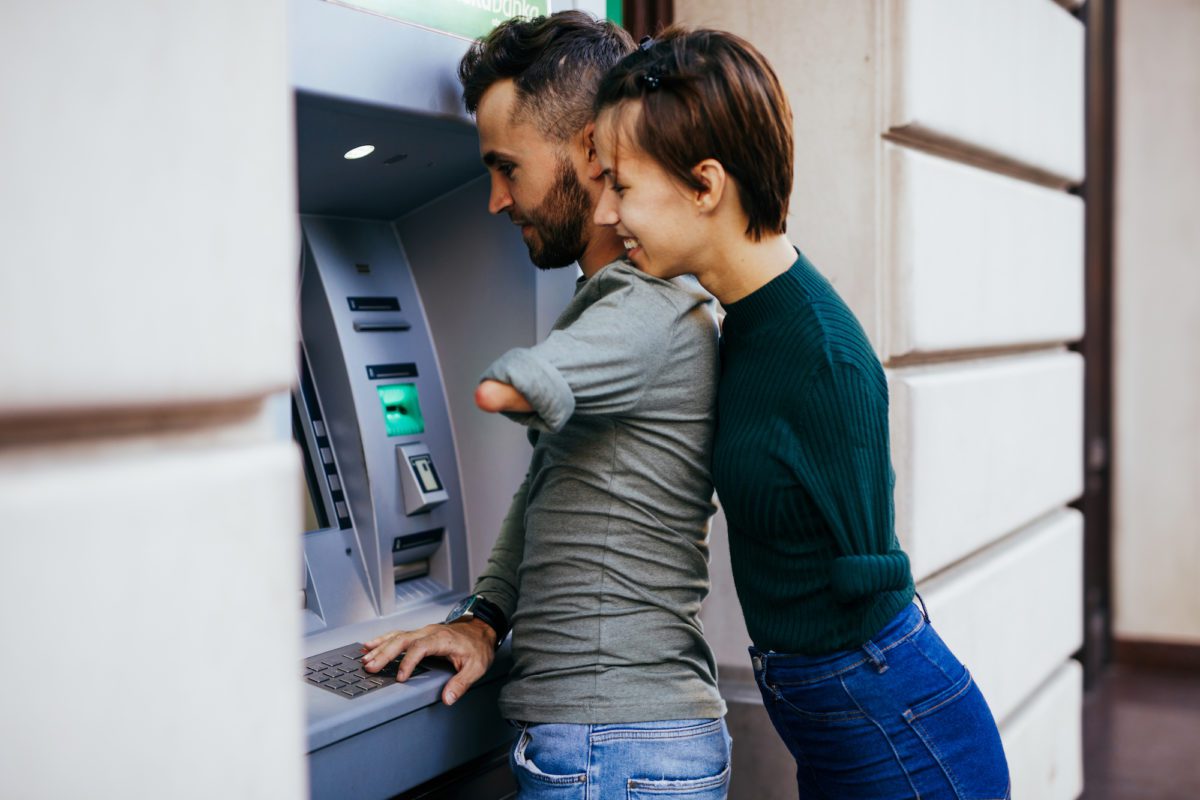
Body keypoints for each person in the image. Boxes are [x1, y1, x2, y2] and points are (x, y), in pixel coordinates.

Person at [591, 28, 1011, 800]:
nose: (608, 211)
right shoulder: (740, 324)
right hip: (838, 730)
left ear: (705, 184)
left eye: (621, 185)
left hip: (902, 742)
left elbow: (870, 585)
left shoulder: (822, 354)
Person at [361, 12, 732, 798]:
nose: (495, 200)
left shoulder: (644, 309)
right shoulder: (608, 301)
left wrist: (515, 382)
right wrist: (483, 617)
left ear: (591, 153)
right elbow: (546, 489)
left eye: (507, 167)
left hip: (614, 751)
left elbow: (538, 381)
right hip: (613, 742)